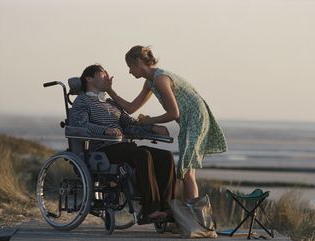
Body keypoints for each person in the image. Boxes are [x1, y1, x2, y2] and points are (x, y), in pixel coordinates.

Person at [107, 45, 227, 201]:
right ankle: (187, 212)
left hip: (195, 119)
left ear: (138, 62)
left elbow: (173, 113)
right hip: (189, 121)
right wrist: (110, 91)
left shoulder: (160, 79)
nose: (129, 71)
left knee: (186, 170)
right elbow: (131, 108)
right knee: (186, 171)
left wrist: (151, 120)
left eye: (130, 67)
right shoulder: (150, 82)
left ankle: (192, 214)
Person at [69, 64, 176, 222]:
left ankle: (165, 209)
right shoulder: (82, 101)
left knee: (165, 156)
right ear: (89, 78)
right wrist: (104, 130)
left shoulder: (111, 103)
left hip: (123, 147)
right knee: (142, 154)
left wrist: (152, 127)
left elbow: (130, 124)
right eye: (102, 73)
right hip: (102, 150)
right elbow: (81, 124)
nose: (107, 76)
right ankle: (149, 210)